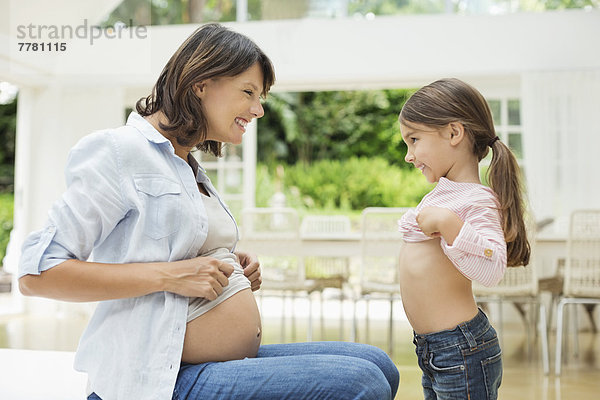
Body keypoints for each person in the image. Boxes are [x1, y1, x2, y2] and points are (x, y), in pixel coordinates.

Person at [18, 23, 399, 400]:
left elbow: (173, 248)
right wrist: (172, 275)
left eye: (261, 96)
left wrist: (230, 264)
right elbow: (37, 274)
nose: (258, 109)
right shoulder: (119, 151)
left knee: (378, 363)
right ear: (200, 83)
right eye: (248, 92)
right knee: (361, 381)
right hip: (156, 377)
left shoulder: (187, 164)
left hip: (200, 364)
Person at [397, 78, 530, 399]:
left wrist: (450, 224)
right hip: (436, 349)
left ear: (454, 133)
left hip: (461, 349)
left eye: (413, 140)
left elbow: (493, 268)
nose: (408, 155)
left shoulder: (478, 200)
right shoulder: (444, 194)